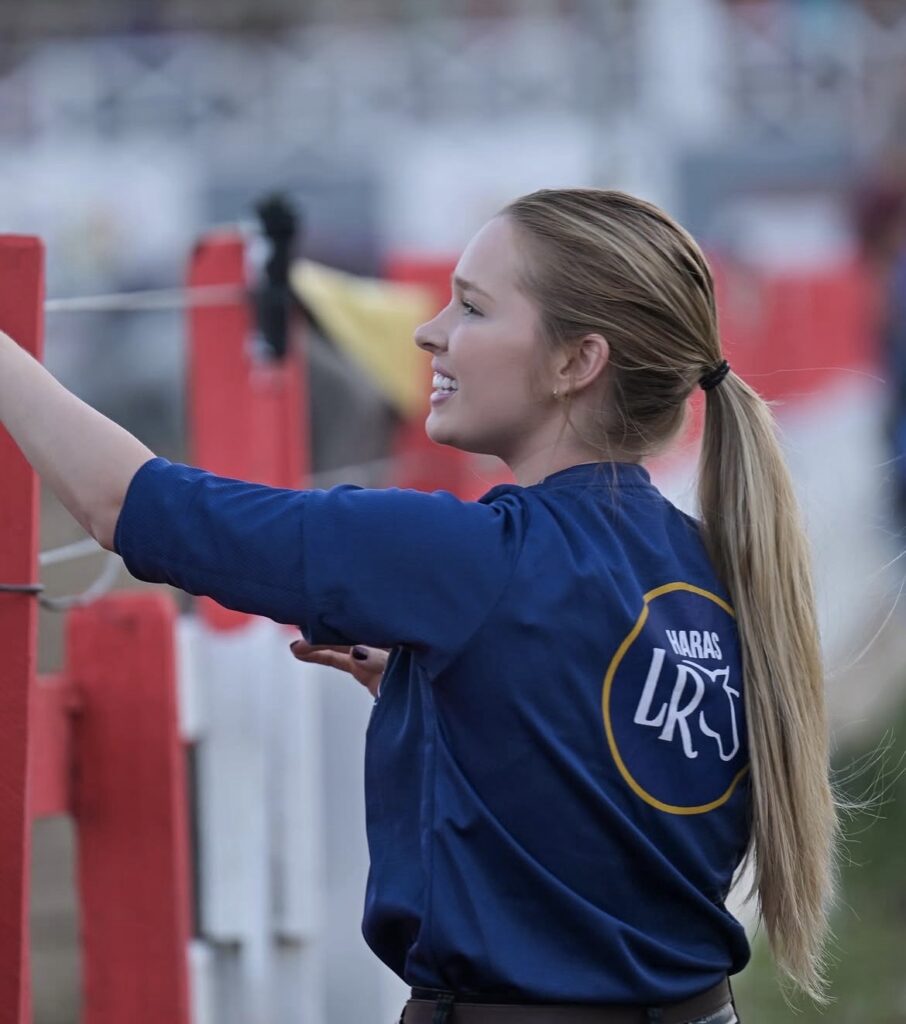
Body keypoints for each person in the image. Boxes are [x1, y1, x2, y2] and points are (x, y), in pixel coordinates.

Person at [0, 189, 838, 1023]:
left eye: (472, 307)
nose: (428, 331)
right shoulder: (710, 563)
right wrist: (460, 697)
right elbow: (602, 773)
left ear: (576, 362)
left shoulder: (472, 557)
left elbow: (130, 504)